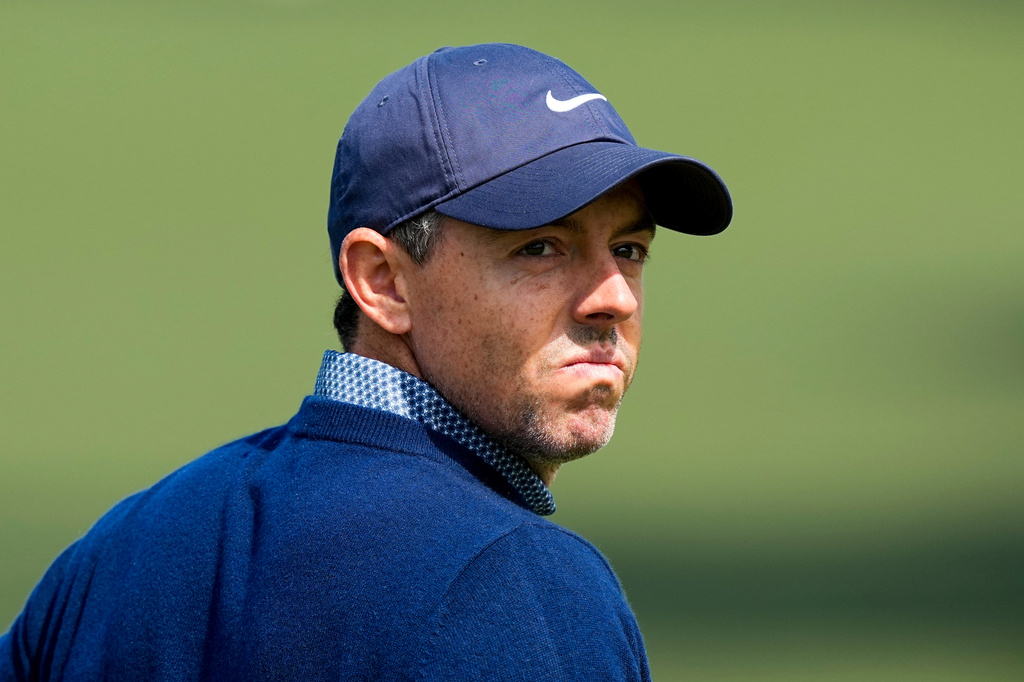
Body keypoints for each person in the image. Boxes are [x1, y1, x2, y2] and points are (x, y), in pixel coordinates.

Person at [0, 43, 731, 680]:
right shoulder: (518, 584)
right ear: (382, 282)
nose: (613, 298)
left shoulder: (121, 551)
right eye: (539, 247)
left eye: (629, 250)